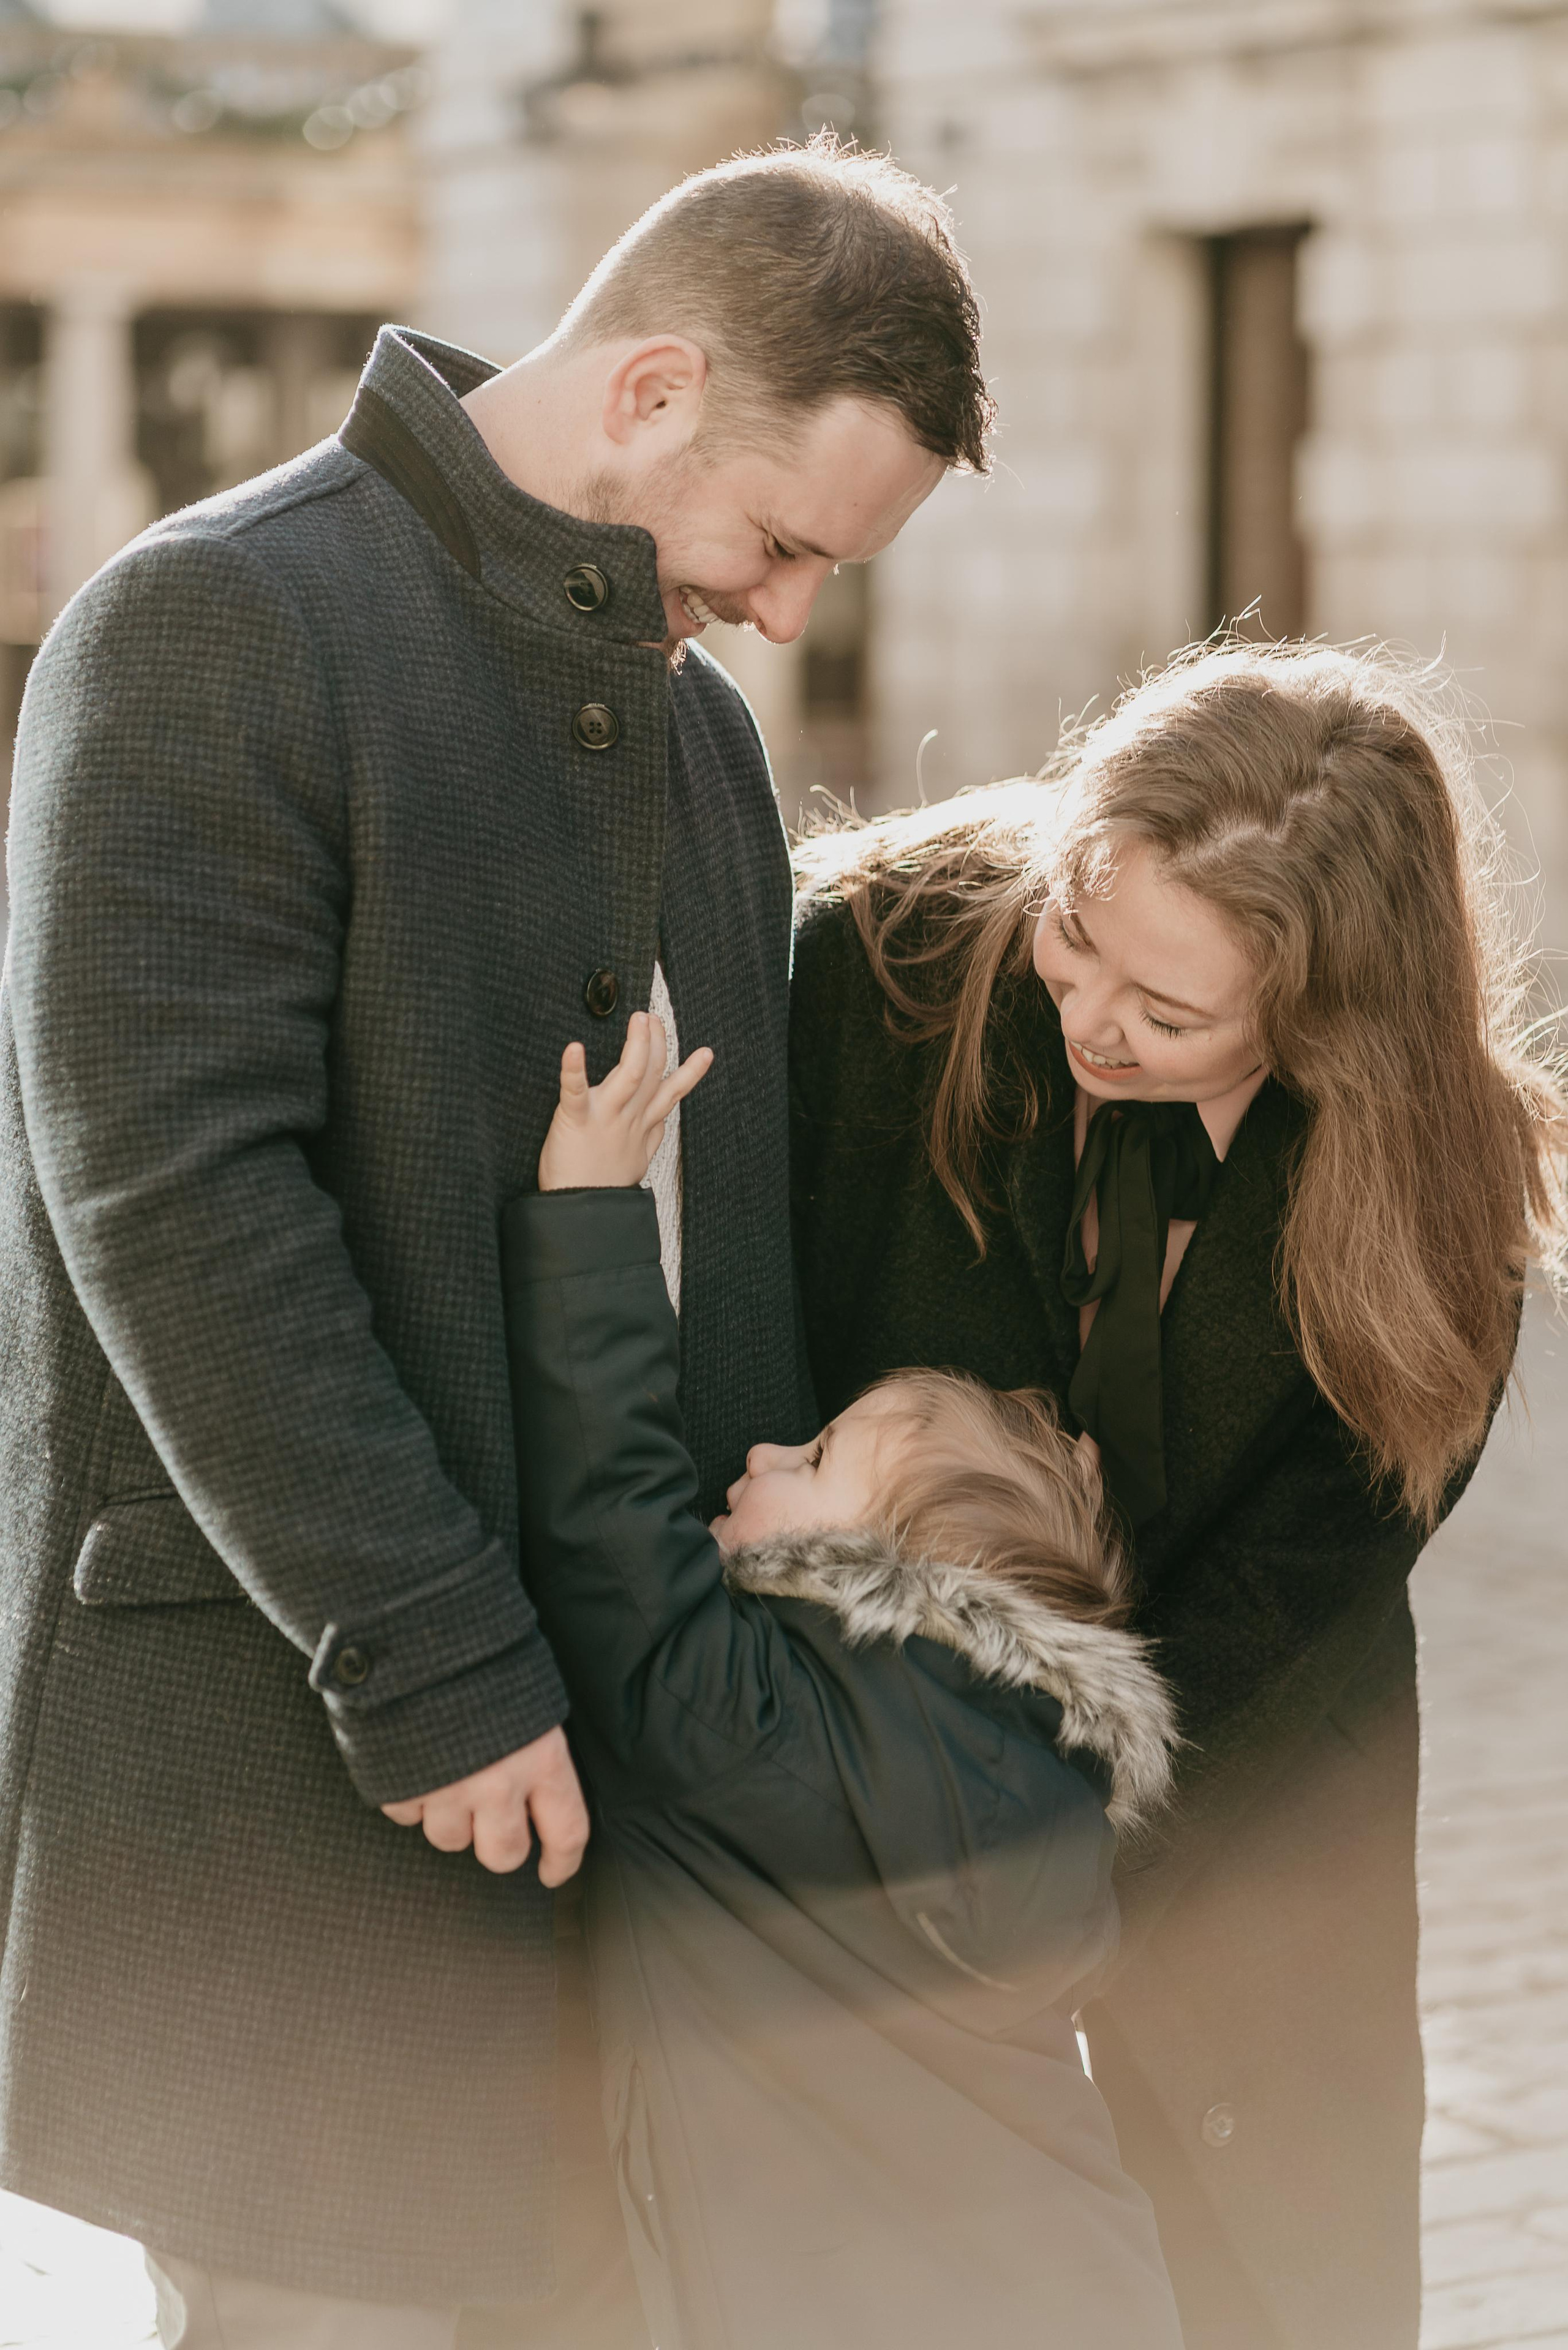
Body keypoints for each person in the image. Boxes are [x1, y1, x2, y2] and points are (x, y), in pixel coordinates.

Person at [0, 138, 987, 2346]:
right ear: (651, 388)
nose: (790, 613)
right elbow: (178, 1202)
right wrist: (438, 1661)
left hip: (625, 1837)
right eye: (784, 542)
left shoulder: (705, 734)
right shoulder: (211, 620)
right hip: (291, 1772)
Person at [788, 639, 1568, 2350]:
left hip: (1258, 1774)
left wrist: (1050, 1837)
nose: (1090, 1022)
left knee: (1271, 2279)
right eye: (1078, 940)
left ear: (1325, 1021)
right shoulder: (882, 953)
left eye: (1169, 1015)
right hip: (857, 1796)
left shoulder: (1437, 1180)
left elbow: (1301, 1579)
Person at [497, 1011, 1185, 2350]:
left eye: (813, 1459)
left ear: (882, 1570)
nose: (760, 1452)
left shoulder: (771, 1727)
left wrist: (588, 1218)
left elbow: (615, 1545)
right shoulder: (1025, 1780)